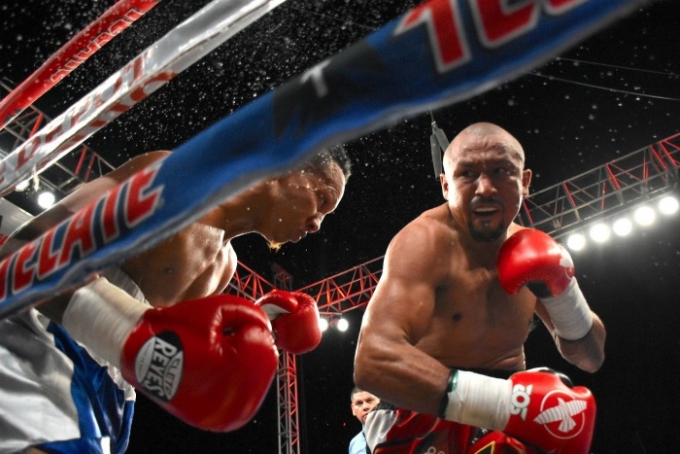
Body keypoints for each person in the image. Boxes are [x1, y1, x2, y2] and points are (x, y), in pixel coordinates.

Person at [0, 145, 352, 454]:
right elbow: (24, 250)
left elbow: (156, 348)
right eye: (321, 200)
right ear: (288, 166)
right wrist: (121, 328)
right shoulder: (173, 181)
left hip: (113, 395)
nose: (317, 225)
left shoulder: (224, 267)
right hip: (41, 344)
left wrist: (232, 349)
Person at [353, 122, 606, 454]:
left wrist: (563, 295)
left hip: (505, 409)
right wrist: (508, 404)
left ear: (525, 181)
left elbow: (590, 358)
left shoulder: (538, 250)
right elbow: (373, 361)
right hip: (424, 406)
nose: (485, 188)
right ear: (446, 186)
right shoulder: (424, 243)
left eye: (501, 171)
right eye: (467, 174)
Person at [348, 387, 380, 454]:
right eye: (359, 403)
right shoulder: (355, 444)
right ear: (353, 409)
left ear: (380, 402)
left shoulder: (398, 432)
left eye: (370, 400)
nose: (365, 407)